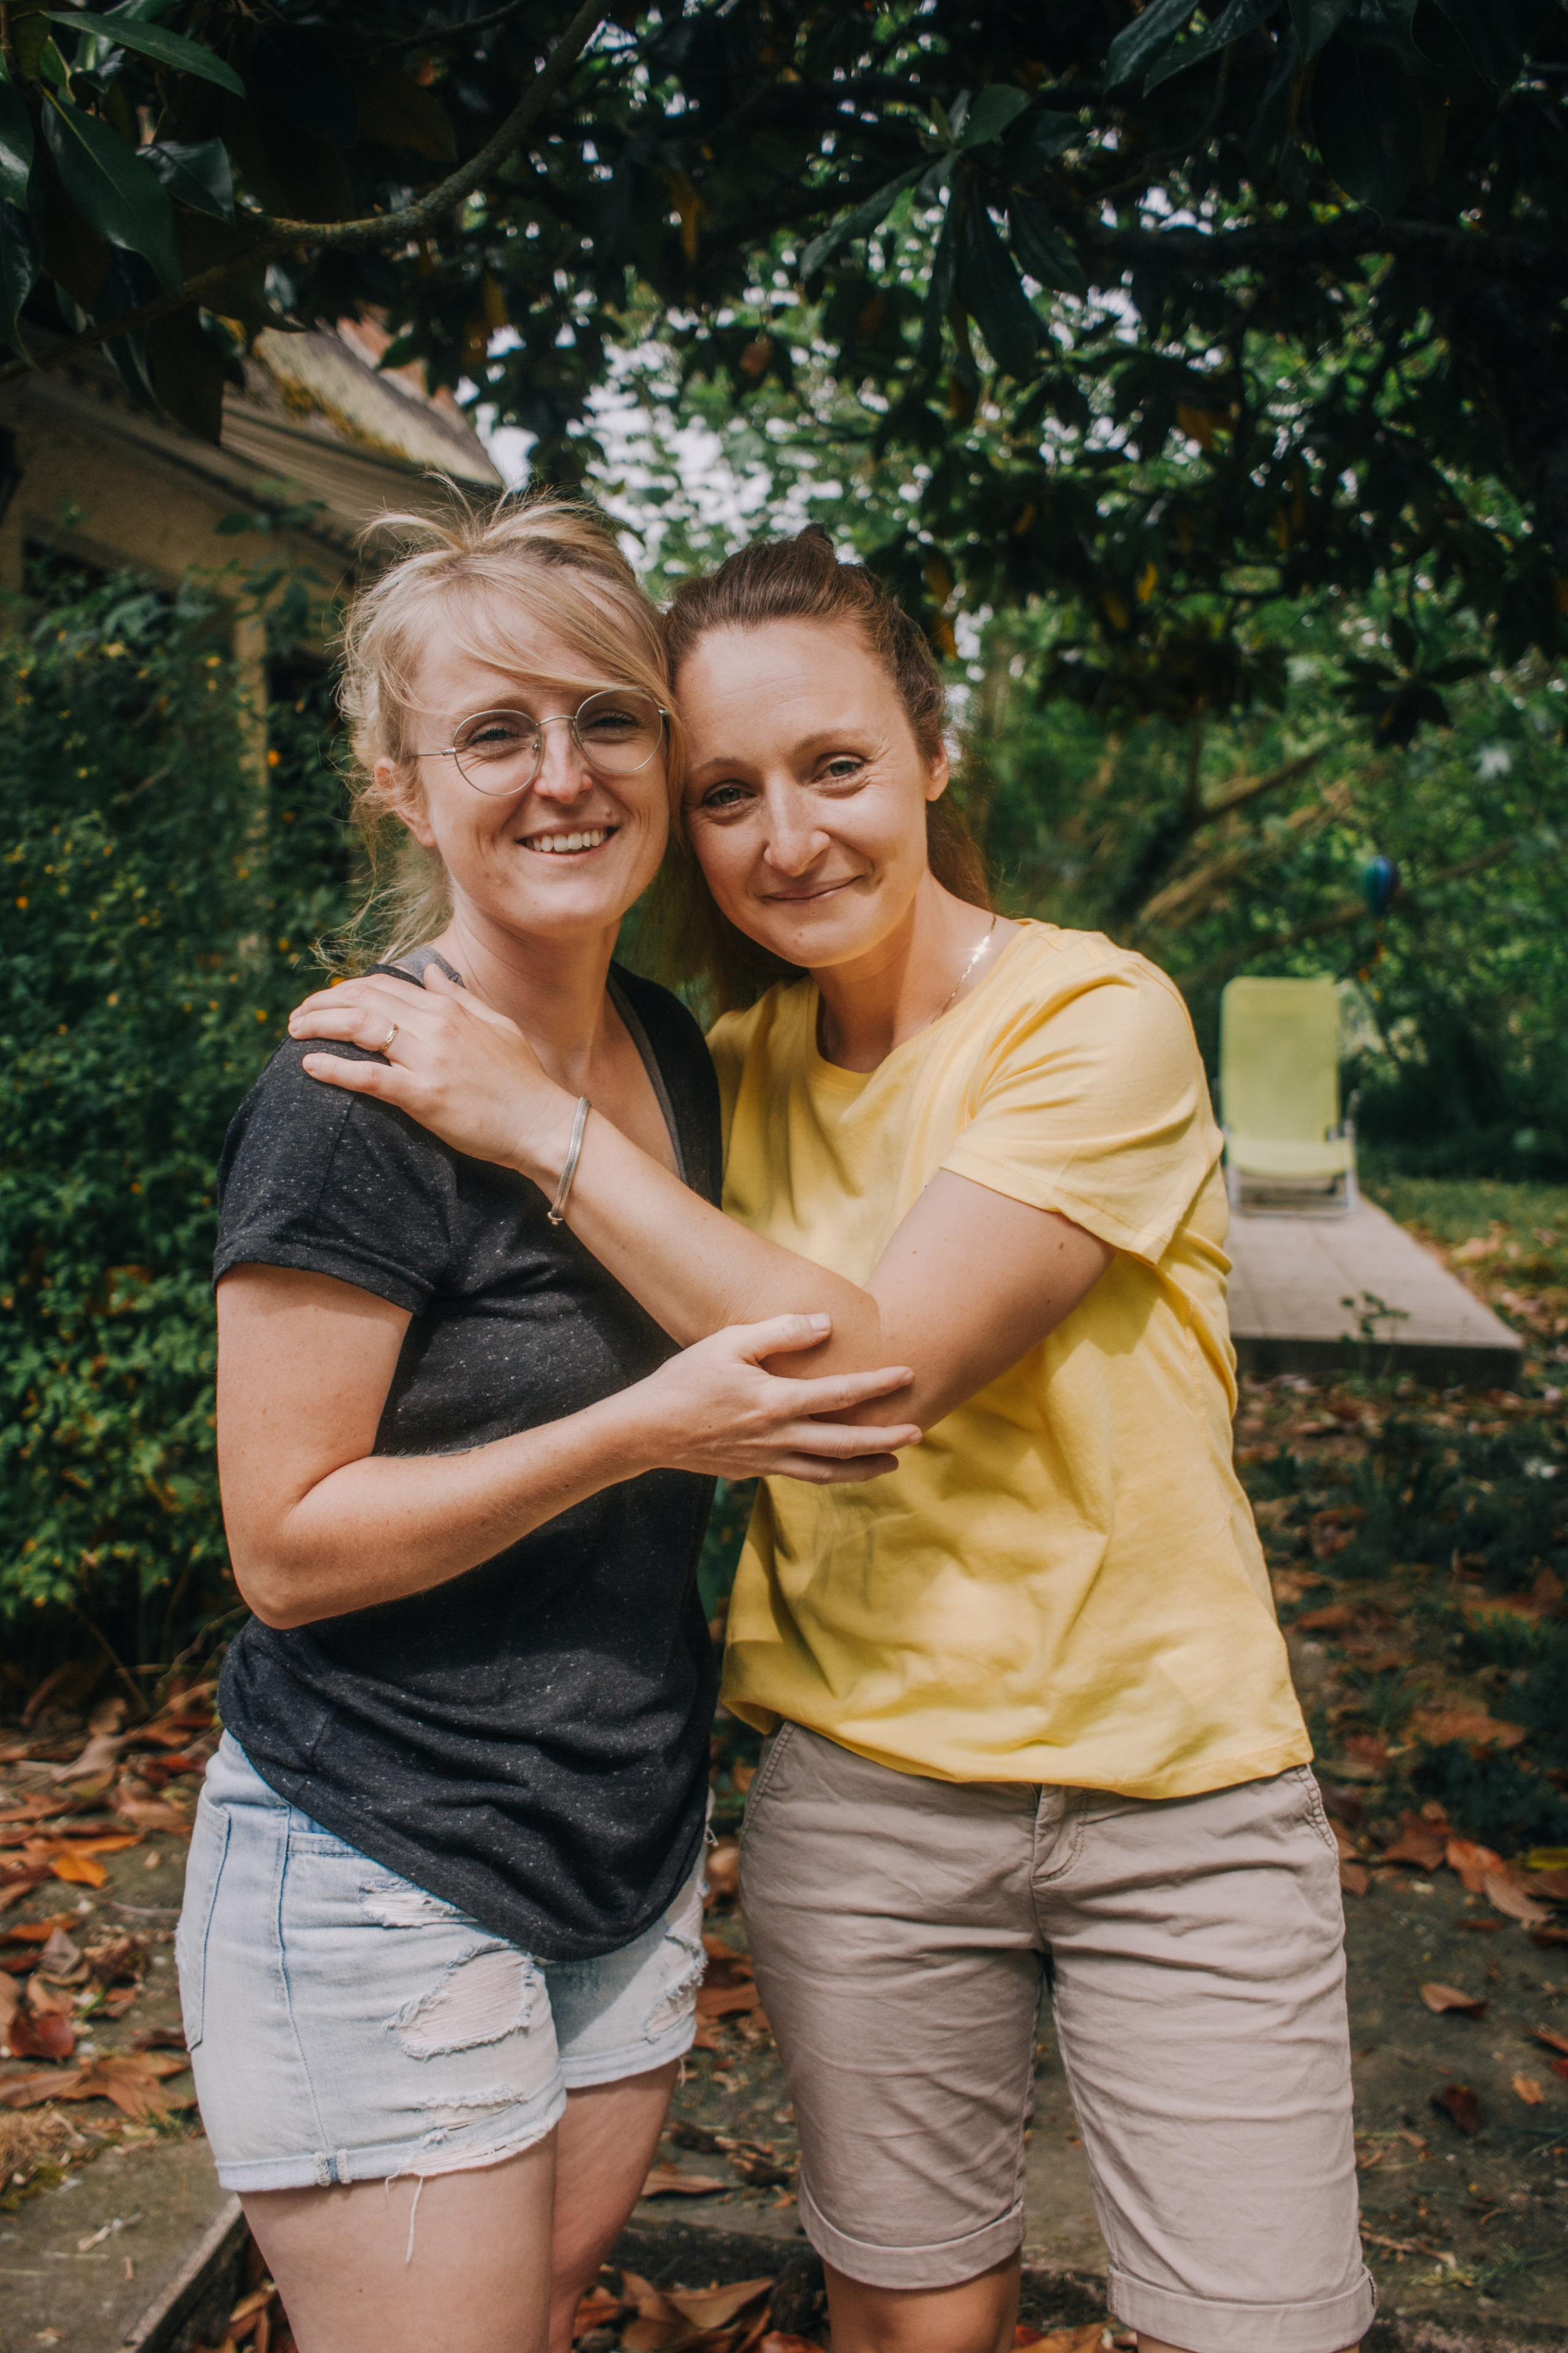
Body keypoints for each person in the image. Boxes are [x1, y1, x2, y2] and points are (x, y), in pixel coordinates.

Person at [290, 527, 1375, 2353]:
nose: (787, 837)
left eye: (837, 767)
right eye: (727, 792)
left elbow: (872, 1374)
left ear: (935, 756)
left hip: (1176, 1796)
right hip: (866, 1797)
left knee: (1262, 2327)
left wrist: (542, 1131)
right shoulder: (720, 1068)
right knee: (911, 2326)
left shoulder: (1094, 1017)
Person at [180, 502, 919, 2353]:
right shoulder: (352, 1088)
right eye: (495, 734)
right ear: (398, 786)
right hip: (384, 1849)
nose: (563, 777)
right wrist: (638, 1430)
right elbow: (282, 1549)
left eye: (607, 719)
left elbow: (840, 1361)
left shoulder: (666, 1046)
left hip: (622, 1839)